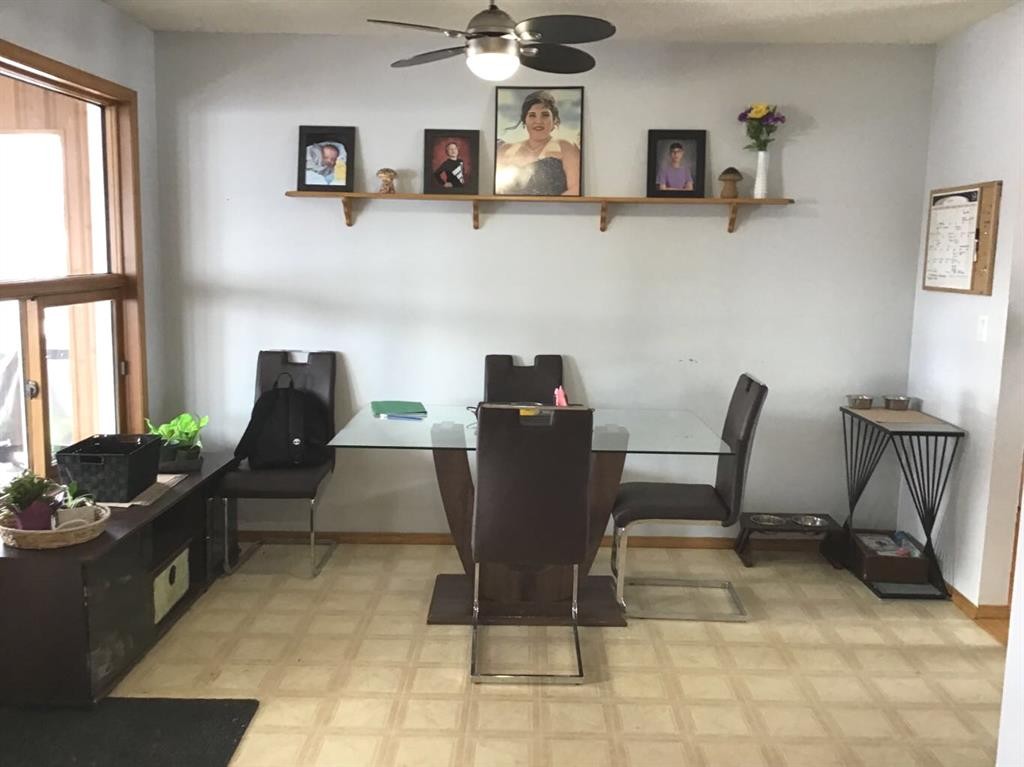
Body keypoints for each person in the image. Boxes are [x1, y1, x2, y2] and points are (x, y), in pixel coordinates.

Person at [495, 90, 580, 196]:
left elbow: (576, 189)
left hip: (555, 211)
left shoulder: (566, 147)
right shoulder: (506, 149)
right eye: (532, 115)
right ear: (524, 120)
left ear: (554, 121)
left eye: (545, 115)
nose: (538, 121)